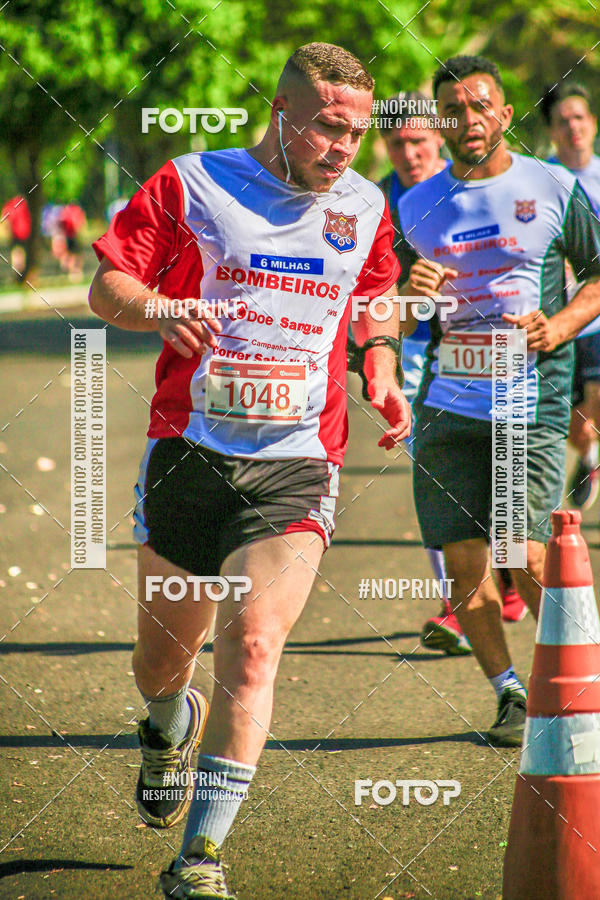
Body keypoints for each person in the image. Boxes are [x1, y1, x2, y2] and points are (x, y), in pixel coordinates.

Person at [89, 42, 410, 899]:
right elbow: (108, 285)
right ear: (281, 112)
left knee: (257, 645)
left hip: (298, 459)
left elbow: (376, 291)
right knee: (164, 659)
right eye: (327, 129)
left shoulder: (364, 203)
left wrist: (378, 358)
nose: (343, 149)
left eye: (355, 134)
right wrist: (158, 309)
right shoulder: (194, 182)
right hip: (189, 450)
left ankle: (200, 856)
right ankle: (166, 725)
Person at [394, 54, 600, 747]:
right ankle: (509, 693)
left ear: (505, 115)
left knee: (528, 553)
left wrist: (563, 323)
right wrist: (408, 297)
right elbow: (382, 312)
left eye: (481, 106)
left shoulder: (551, 185)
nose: (468, 120)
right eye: (453, 109)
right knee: (465, 563)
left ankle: (581, 683)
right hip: (448, 405)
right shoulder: (417, 204)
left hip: (529, 399)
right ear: (439, 122)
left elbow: (598, 272)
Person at [540, 83, 600, 510]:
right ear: (552, 132)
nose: (573, 126)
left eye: (579, 117)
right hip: (564, 316)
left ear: (593, 124)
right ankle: (589, 455)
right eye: (563, 120)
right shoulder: (543, 181)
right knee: (580, 424)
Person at [1, 195, 31, 277]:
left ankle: (17, 273)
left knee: (16, 253)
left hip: (16, 234)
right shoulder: (23, 206)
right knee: (21, 253)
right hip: (24, 233)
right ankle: (20, 272)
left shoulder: (11, 207)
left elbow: (6, 220)